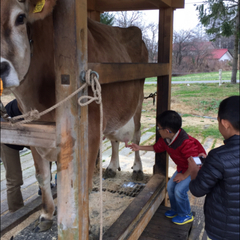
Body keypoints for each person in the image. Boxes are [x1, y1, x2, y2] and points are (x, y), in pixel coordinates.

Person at [127, 110, 206, 225]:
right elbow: (156, 148)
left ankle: (185, 214)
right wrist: (139, 147)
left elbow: (194, 163)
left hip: (195, 170)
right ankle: (175, 209)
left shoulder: (186, 143)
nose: (158, 130)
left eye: (159, 128)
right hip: (183, 168)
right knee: (170, 186)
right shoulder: (166, 139)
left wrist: (184, 176)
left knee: (179, 190)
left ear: (167, 131)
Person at [188, 96, 240, 240]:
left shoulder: (218, 156)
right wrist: (209, 165)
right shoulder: (216, 159)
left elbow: (198, 190)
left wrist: (194, 171)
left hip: (224, 230)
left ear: (225, 123)